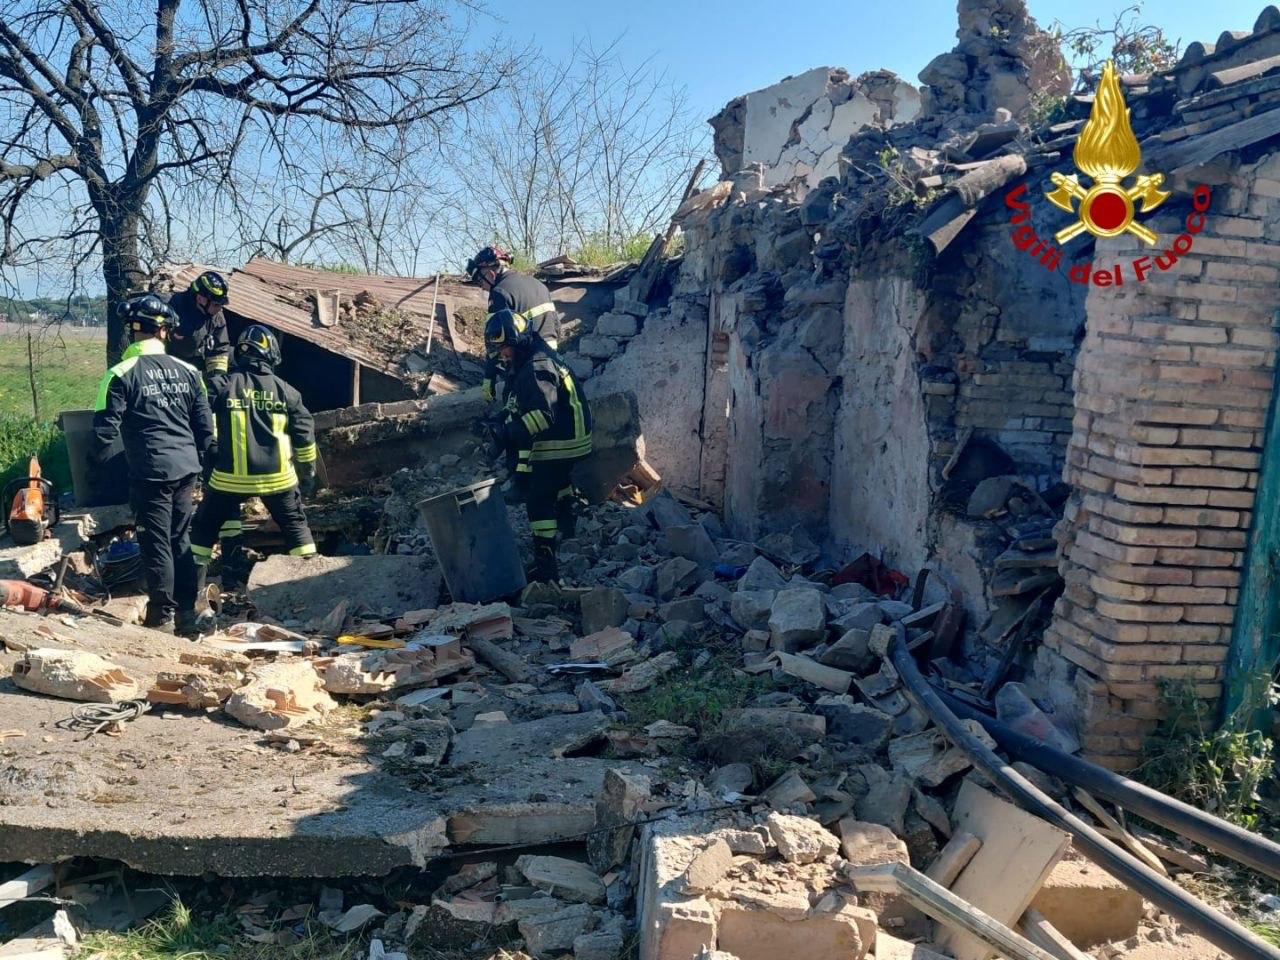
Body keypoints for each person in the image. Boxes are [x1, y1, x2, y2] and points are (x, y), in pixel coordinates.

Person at [91, 294, 215, 635]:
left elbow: (104, 433)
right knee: (180, 539)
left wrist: (99, 476)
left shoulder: (119, 373)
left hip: (150, 471)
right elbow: (206, 429)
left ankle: (161, 616)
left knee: (156, 542)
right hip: (187, 468)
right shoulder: (191, 372)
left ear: (133, 332)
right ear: (162, 332)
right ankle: (187, 614)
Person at [190, 325, 318, 583]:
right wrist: (308, 474)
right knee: (295, 527)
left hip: (228, 479)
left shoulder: (220, 386)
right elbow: (304, 437)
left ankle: (191, 594)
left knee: (203, 530)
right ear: (272, 355)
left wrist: (208, 451)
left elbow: (196, 416)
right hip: (278, 479)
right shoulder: (287, 392)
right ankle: (311, 582)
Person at [480, 309, 591, 584]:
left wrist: (506, 434)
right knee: (556, 481)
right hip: (571, 434)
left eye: (504, 348)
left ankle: (545, 568)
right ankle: (569, 529)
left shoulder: (535, 365)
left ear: (516, 341)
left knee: (538, 498)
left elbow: (542, 416)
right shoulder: (530, 357)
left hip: (562, 440)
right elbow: (520, 403)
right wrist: (499, 420)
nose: (502, 355)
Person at [466, 245, 561, 403]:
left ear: (490, 273)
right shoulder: (538, 284)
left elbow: (495, 339)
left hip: (527, 364)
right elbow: (556, 325)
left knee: (515, 409)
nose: (481, 286)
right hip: (553, 358)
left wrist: (489, 377)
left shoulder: (499, 293)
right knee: (552, 406)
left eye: (479, 280)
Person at [166, 270, 232, 379]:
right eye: (216, 304)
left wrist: (217, 381)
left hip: (199, 371)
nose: (220, 308)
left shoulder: (217, 317)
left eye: (221, 305)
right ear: (200, 298)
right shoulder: (173, 308)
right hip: (170, 370)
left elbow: (219, 351)